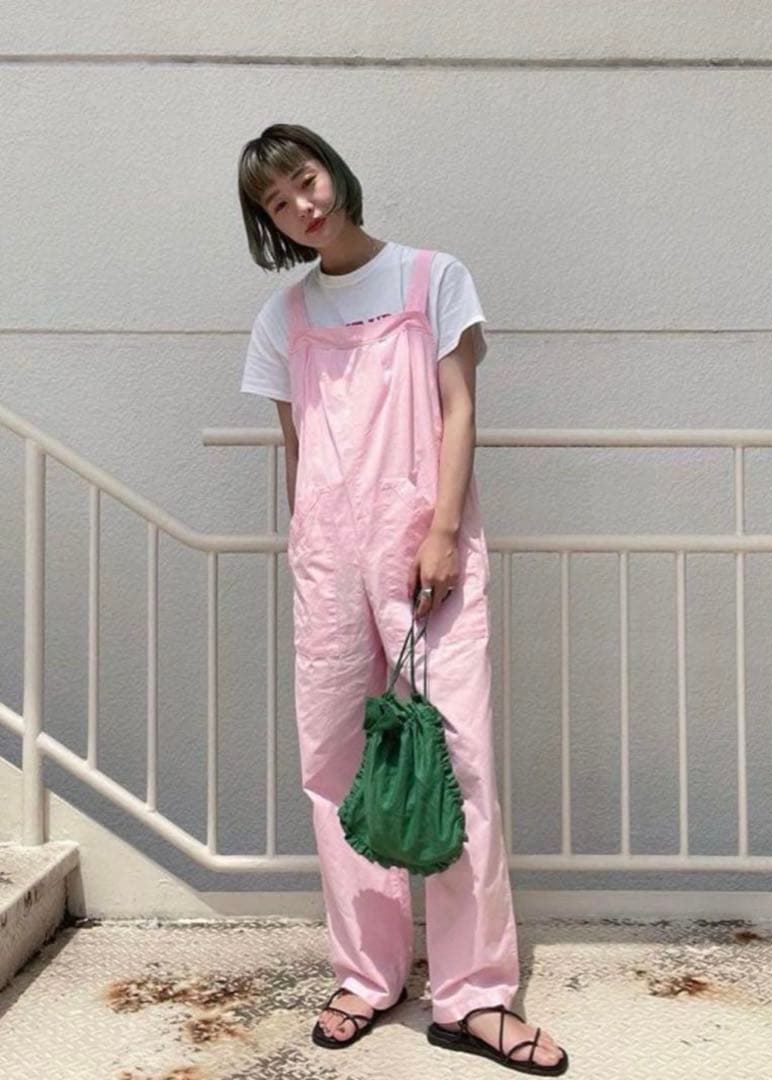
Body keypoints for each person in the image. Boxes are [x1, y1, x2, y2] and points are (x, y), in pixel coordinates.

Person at [237, 123, 569, 1075]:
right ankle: (368, 973)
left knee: (457, 759)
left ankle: (475, 994)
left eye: (305, 180)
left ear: (332, 172)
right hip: (329, 559)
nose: (302, 206)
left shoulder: (432, 278)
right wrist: (311, 548)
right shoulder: (283, 317)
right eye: (277, 203)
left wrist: (441, 531)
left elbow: (459, 408)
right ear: (269, 224)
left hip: (427, 548)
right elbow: (298, 448)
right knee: (336, 765)